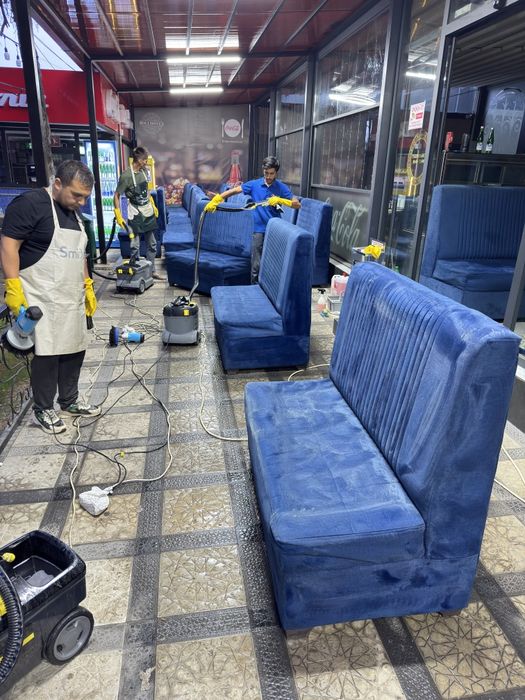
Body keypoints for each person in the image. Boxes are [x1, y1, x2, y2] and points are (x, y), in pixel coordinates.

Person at [1, 160, 101, 434]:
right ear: (58, 184)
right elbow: (9, 245)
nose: (81, 202)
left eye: (85, 197)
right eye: (77, 195)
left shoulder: (73, 213)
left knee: (74, 348)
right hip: (40, 293)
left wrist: (87, 284)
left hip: (70, 295)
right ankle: (43, 409)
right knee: (47, 352)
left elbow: (79, 253)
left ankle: (69, 401)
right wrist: (12, 285)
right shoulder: (30, 204)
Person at [205, 156, 301, 283]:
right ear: (263, 170)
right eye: (266, 173)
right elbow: (234, 191)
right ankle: (254, 288)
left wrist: (280, 200)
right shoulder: (254, 185)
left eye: (271, 173)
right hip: (259, 230)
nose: (268, 176)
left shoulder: (281, 187)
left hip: (275, 230)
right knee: (256, 265)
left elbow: (297, 204)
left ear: (276, 173)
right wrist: (217, 200)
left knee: (274, 263)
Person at [113, 146, 165, 280]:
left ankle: (151, 271)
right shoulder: (126, 176)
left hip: (147, 211)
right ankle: (135, 272)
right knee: (135, 245)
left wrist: (152, 204)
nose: (146, 162)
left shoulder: (145, 171)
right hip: (135, 212)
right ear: (139, 160)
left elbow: (147, 190)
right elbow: (116, 195)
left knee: (152, 244)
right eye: (145, 160)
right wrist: (118, 213)